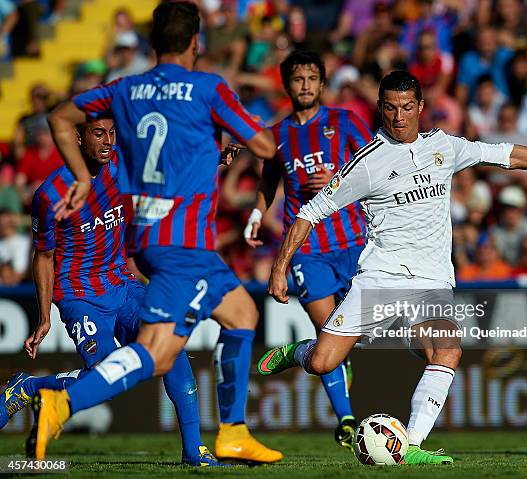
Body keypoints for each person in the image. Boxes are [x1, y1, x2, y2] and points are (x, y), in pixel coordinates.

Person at [257, 70, 527, 465]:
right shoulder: (366, 163)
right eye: (389, 108)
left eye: (406, 107)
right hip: (381, 277)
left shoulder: (444, 146)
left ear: (420, 107)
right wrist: (279, 267)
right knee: (324, 363)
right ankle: (300, 352)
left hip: (432, 281)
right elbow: (309, 213)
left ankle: (411, 446)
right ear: (380, 110)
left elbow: (504, 154)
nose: (398, 117)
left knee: (448, 350)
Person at [30, 2, 280, 463]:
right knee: (165, 350)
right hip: (182, 242)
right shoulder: (209, 88)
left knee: (235, 317)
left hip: (146, 243)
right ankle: (62, 401)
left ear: (151, 44)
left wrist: (82, 179)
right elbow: (265, 145)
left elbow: (61, 116)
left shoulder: (126, 89)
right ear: (195, 44)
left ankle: (230, 432)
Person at [0, 116, 223, 466]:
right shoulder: (51, 195)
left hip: (121, 283)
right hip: (79, 295)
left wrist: (214, 157)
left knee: (170, 342)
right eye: (98, 133)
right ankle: (27, 388)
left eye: (111, 133)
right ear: (77, 137)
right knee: (106, 374)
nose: (107, 141)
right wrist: (44, 317)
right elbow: (44, 256)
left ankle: (194, 452)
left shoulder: (119, 163)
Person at [243, 50, 372, 451]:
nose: (305, 85)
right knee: (328, 331)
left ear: (322, 83)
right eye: (298, 79)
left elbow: (379, 165)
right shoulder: (277, 134)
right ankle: (347, 419)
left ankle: (299, 353)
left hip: (354, 242)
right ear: (286, 85)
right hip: (307, 248)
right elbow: (269, 181)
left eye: (312, 78)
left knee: (361, 334)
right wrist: (255, 213)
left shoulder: (344, 121)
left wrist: (341, 176)